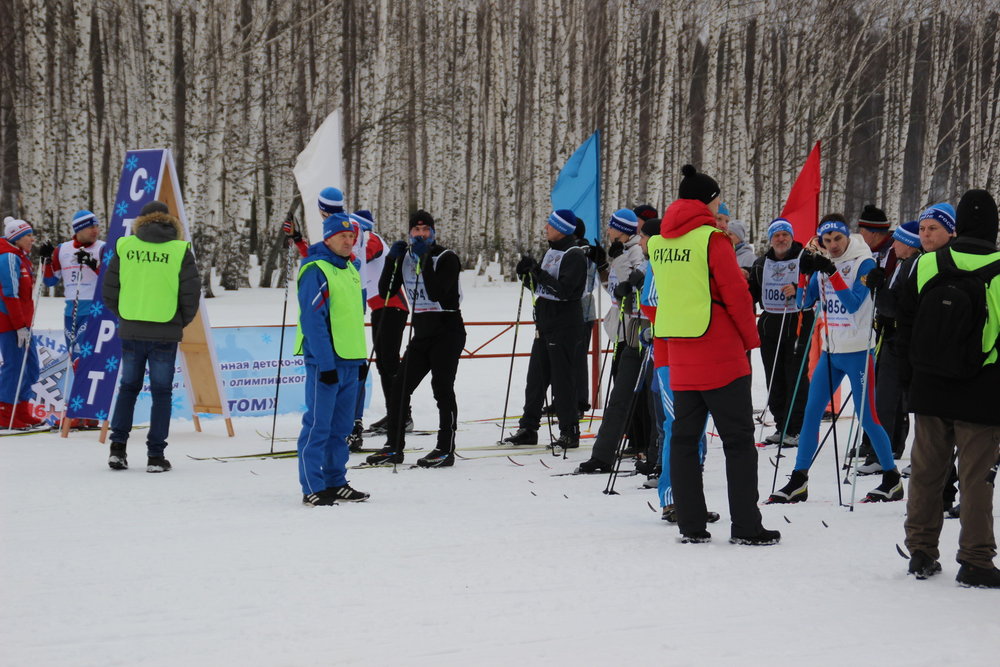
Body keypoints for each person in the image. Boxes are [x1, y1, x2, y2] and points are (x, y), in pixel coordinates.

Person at [649, 164, 778, 545]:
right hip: (720, 352)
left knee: (684, 441)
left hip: (680, 352)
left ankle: (691, 524)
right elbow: (736, 296)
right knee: (738, 442)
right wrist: (752, 340)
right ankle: (747, 527)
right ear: (708, 200)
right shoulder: (712, 240)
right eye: (717, 198)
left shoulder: (659, 243)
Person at [897, 189, 1000, 587]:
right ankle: (975, 560)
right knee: (976, 479)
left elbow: (902, 323)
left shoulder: (926, 264)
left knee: (926, 471)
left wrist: (909, 378)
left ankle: (921, 551)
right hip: (984, 389)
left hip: (930, 384)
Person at [767, 215, 902, 503]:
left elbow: (854, 304)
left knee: (868, 417)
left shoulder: (863, 262)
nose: (833, 245)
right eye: (827, 241)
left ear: (846, 235)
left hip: (857, 351)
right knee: (810, 414)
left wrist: (830, 271)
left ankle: (891, 477)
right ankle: (799, 479)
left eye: (837, 239)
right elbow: (804, 302)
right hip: (831, 352)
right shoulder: (825, 263)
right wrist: (804, 276)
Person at [102, 201, 201, 472]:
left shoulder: (125, 246)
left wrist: (125, 314)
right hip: (165, 332)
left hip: (132, 329)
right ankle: (155, 456)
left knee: (128, 388)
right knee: (161, 393)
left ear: (142, 221)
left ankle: (118, 449)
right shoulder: (180, 250)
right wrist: (178, 322)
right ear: (168, 222)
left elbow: (110, 290)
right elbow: (190, 295)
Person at [365, 210, 466, 467]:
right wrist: (392, 260)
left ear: (433, 232)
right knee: (399, 387)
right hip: (422, 333)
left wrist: (424, 260)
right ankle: (393, 447)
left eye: (425, 230)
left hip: (447, 330)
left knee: (442, 388)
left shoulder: (446, 258)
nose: (420, 234)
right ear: (410, 232)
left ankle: (445, 448)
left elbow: (437, 294)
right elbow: (385, 290)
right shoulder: (408, 257)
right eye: (416, 230)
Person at [293, 212, 370, 505]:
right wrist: (325, 364)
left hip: (351, 361)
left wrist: (361, 361)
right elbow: (314, 322)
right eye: (342, 236)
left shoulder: (351, 268)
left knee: (342, 429)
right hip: (325, 362)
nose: (349, 241)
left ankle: (336, 481)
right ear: (328, 237)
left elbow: (352, 318)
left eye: (352, 237)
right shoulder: (316, 270)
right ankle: (312, 485)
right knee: (318, 427)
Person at [574, 208, 652, 472]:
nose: (608, 230)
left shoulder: (637, 252)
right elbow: (617, 290)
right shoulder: (623, 251)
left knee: (642, 394)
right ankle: (610, 451)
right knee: (621, 391)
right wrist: (603, 267)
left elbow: (633, 285)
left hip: (641, 331)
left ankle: (646, 445)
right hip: (623, 329)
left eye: (612, 227)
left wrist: (616, 262)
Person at [502, 209, 587, 451]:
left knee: (562, 381)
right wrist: (525, 275)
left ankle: (569, 431)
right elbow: (542, 288)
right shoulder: (551, 251)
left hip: (565, 325)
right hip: (545, 323)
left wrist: (537, 273)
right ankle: (528, 428)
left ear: (562, 228)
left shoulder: (574, 255)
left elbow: (566, 291)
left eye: (551, 224)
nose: (546, 228)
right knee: (536, 379)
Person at [747, 218, 814, 447]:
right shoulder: (760, 264)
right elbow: (751, 296)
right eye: (777, 235)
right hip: (770, 325)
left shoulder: (805, 259)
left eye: (785, 234)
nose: (781, 239)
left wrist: (798, 289)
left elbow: (816, 286)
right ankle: (782, 424)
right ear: (771, 239)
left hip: (797, 322)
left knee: (794, 376)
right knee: (773, 376)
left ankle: (796, 428)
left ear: (792, 236)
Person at [39, 209, 106, 429]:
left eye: (97, 226)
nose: (95, 230)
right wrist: (47, 259)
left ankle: (79, 411)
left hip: (95, 310)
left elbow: (112, 279)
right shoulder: (63, 250)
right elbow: (50, 281)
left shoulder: (103, 247)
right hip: (71, 312)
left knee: (83, 359)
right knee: (76, 361)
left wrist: (93, 264)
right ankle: (88, 413)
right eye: (90, 227)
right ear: (78, 230)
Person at [354, 209, 412, 439]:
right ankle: (395, 412)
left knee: (389, 364)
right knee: (384, 365)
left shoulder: (371, 238)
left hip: (392, 306)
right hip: (380, 308)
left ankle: (401, 415)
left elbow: (363, 255)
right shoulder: (361, 240)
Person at [0, 217, 43, 429]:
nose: (31, 239)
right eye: (27, 235)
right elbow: (10, 294)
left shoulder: (21, 257)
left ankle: (22, 408)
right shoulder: (8, 257)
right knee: (15, 366)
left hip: (24, 324)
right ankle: (5, 413)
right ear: (16, 237)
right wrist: (18, 326)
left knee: (32, 366)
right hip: (10, 324)